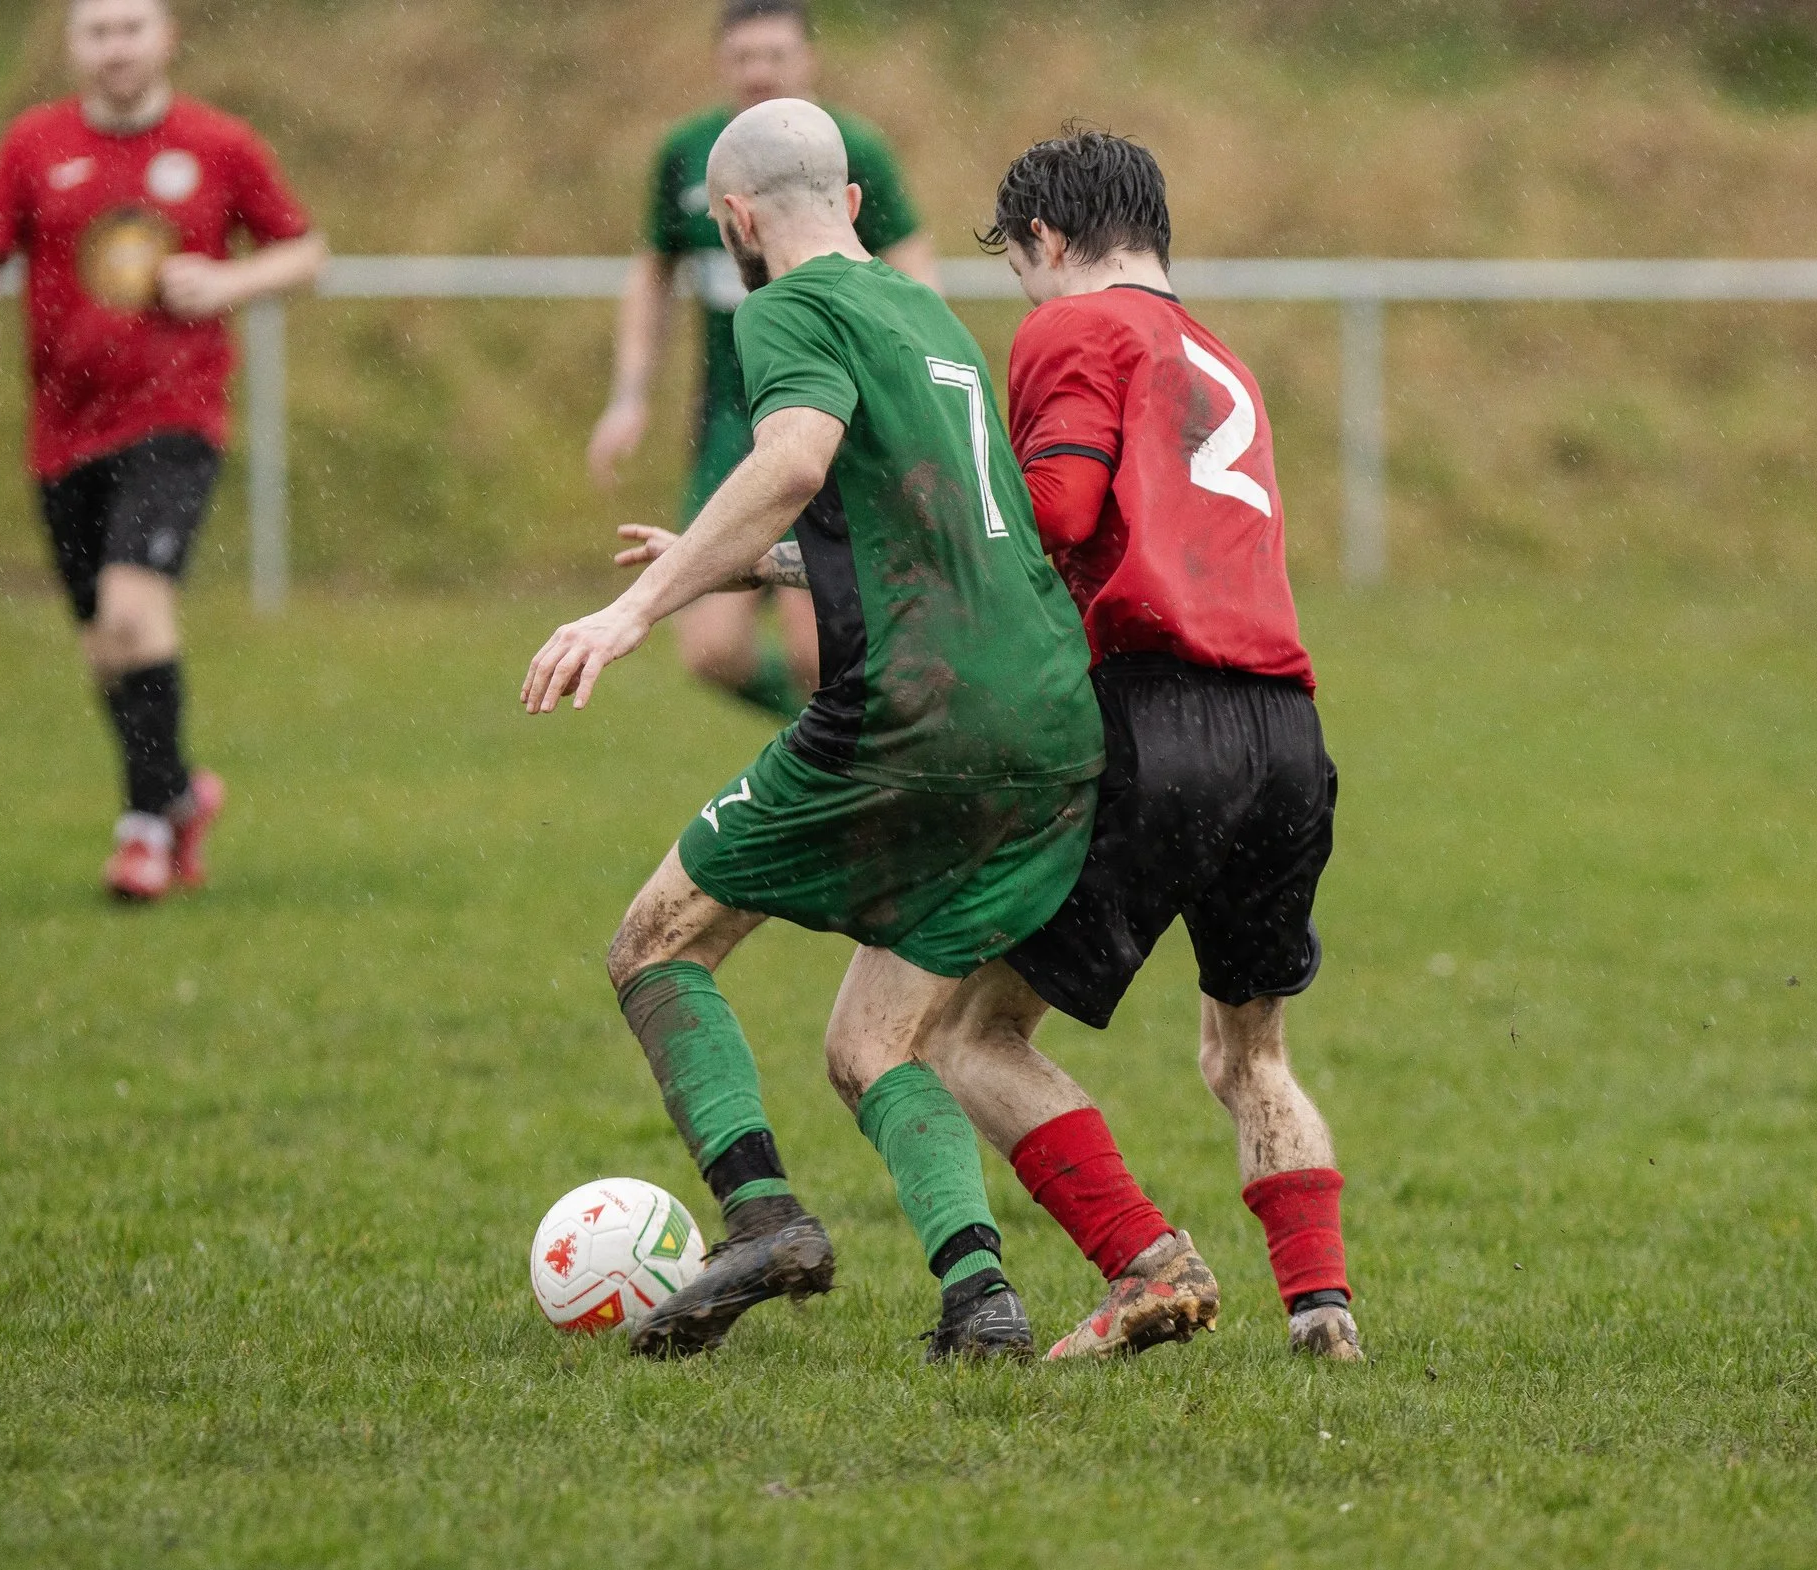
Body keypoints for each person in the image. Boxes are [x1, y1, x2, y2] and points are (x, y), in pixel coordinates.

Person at [523, 100, 1102, 1362]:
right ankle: (979, 1298)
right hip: (1050, 720)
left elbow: (789, 459)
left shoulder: (778, 306)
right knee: (872, 1041)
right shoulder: (929, 313)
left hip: (912, 715)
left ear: (733, 219)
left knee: (653, 946)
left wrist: (631, 611)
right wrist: (723, 567)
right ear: (850, 202)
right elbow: (919, 536)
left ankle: (764, 1218)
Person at [927, 128, 1364, 1363]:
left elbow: (1058, 509)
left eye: (1019, 263)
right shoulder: (1217, 353)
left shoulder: (1072, 328)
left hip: (1156, 720)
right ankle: (1321, 1310)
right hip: (1283, 727)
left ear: (1048, 240)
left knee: (970, 1036)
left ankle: (1146, 1261)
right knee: (1248, 1050)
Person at [0, 0, 325, 901]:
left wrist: (231, 279)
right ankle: (182, 794)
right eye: (97, 30)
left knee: (131, 613)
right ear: (73, 45)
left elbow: (305, 252)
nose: (116, 46)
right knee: (106, 648)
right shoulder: (34, 145)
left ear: (167, 37)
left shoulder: (218, 144)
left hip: (175, 422)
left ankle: (143, 829)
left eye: (131, 27)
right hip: (63, 434)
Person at [585, 0, 937, 723]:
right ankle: (848, 737)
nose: (759, 72)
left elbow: (913, 272)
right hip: (729, 418)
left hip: (830, 412)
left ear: (808, 59)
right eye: (743, 57)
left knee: (819, 650)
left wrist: (911, 386)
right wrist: (629, 394)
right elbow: (653, 271)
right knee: (711, 650)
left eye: (774, 55)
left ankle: (848, 749)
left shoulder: (852, 148)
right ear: (721, 63)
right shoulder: (691, 152)